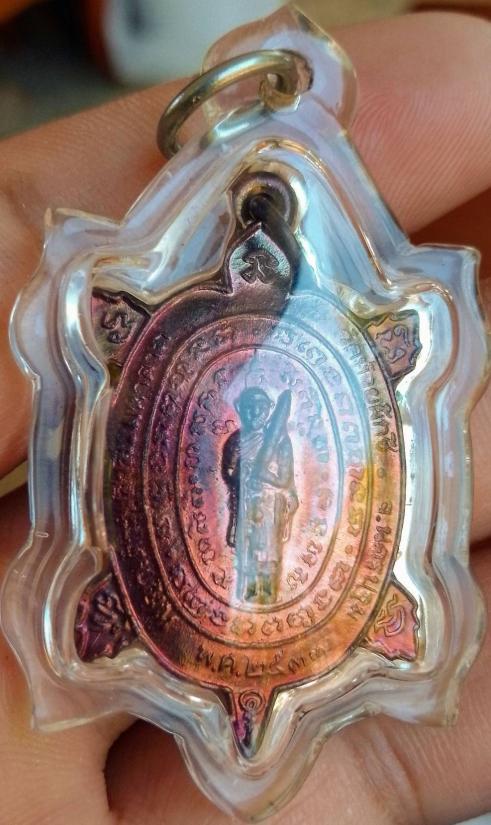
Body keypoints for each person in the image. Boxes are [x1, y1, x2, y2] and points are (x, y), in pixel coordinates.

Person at [0, 11, 491, 825]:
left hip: (285, 543)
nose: (259, 407)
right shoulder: (195, 379)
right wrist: (244, 464)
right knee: (243, 539)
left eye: (262, 404)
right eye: (256, 404)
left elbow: (286, 472)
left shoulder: (351, 357)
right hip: (211, 554)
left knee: (266, 547)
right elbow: (225, 465)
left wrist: (271, 477)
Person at [222, 387, 298, 603]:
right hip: (247, 502)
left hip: (271, 505)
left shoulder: (280, 442)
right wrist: (243, 474)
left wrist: (265, 477)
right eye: (249, 407)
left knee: (268, 549)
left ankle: (269, 589)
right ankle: (248, 589)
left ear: (270, 408)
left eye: (261, 407)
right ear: (239, 408)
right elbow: (228, 472)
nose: (255, 413)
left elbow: (285, 480)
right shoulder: (237, 441)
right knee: (248, 548)